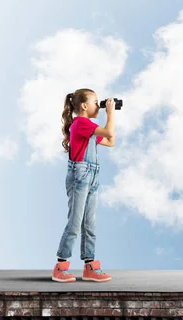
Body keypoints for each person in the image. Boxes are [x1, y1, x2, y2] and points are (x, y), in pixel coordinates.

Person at [52, 88, 116, 282]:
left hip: (92, 177)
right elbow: (108, 131)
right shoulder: (81, 123)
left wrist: (110, 116)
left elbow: (111, 141)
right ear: (84, 106)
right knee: (75, 222)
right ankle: (60, 267)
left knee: (90, 224)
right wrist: (110, 113)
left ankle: (89, 266)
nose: (100, 106)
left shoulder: (88, 128)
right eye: (96, 102)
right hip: (80, 177)